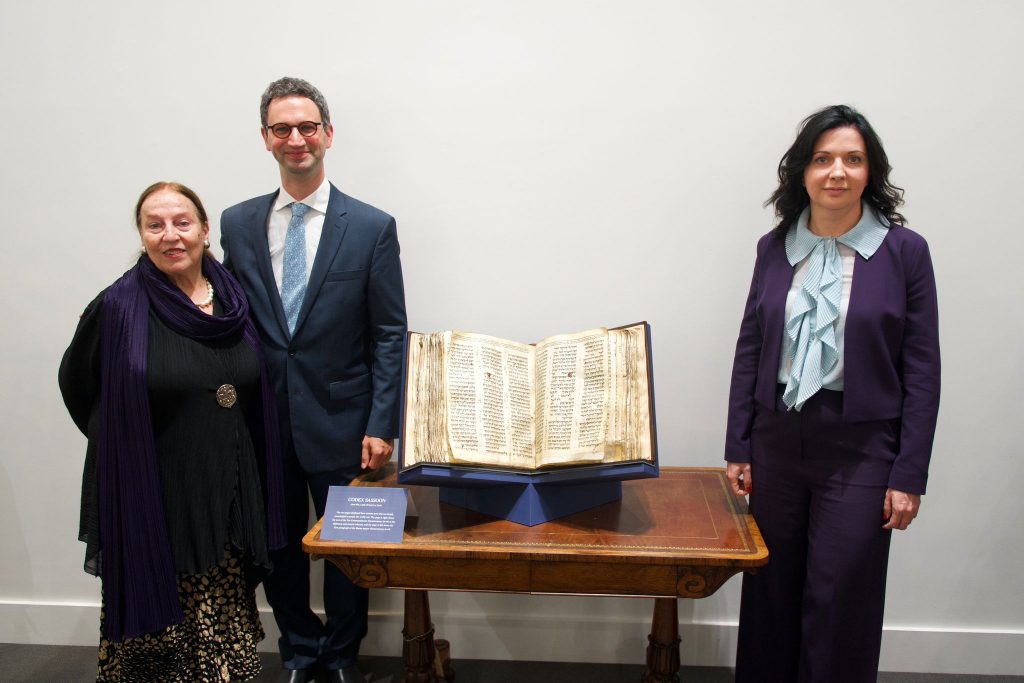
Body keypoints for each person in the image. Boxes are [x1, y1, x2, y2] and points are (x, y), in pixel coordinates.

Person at [724, 105, 940, 682]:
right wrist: (738, 446)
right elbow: (750, 347)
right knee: (770, 590)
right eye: (822, 159)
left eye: (852, 159)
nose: (836, 172)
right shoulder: (775, 248)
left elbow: (922, 370)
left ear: (871, 172)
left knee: (841, 595)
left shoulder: (904, 252)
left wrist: (908, 473)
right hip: (777, 440)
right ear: (802, 172)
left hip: (863, 447)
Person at [58, 182, 286, 682]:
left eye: (182, 222)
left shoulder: (233, 296)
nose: (170, 236)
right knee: (164, 638)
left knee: (222, 610)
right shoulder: (120, 306)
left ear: (205, 230)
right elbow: (78, 382)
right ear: (141, 236)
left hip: (224, 487)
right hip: (156, 492)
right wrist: (125, 443)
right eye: (154, 225)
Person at [220, 77, 407, 683]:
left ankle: (342, 657)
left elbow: (387, 333)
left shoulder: (373, 226)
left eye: (306, 127)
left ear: (327, 134)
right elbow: (228, 317)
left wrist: (384, 422)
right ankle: (300, 652)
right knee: (277, 546)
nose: (295, 139)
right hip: (262, 420)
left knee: (351, 547)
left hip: (349, 423)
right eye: (282, 129)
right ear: (265, 140)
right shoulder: (238, 223)